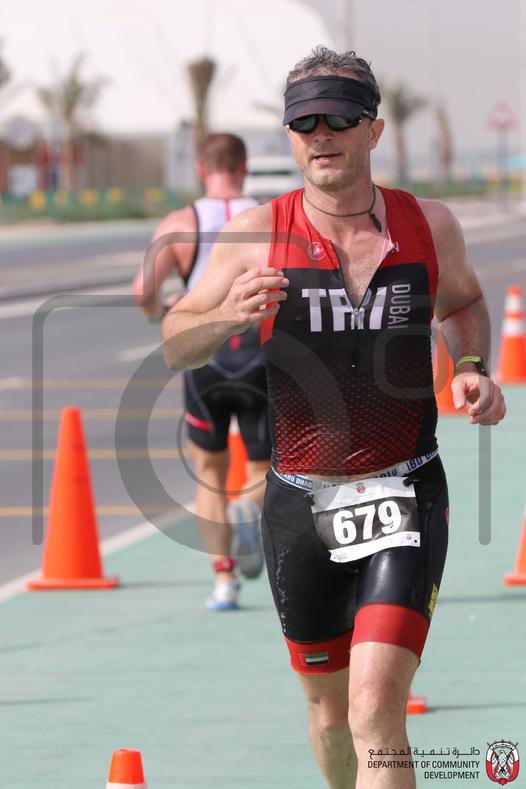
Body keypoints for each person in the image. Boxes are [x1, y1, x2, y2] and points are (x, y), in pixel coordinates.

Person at [161, 47, 506, 788]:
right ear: (290, 136)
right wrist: (226, 315)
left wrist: (473, 366)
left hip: (405, 490)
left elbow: (465, 303)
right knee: (329, 714)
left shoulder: (427, 225)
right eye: (304, 122)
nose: (320, 134)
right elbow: (174, 342)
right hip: (298, 503)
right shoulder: (257, 232)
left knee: (375, 704)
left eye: (339, 119)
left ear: (373, 130)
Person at [134, 133, 271, 611]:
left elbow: (143, 290)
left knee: (209, 471)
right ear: (244, 166)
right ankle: (249, 507)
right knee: (263, 468)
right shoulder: (267, 216)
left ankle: (223, 580)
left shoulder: (180, 223)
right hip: (258, 353)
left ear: (200, 170)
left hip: (205, 357)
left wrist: (161, 311)